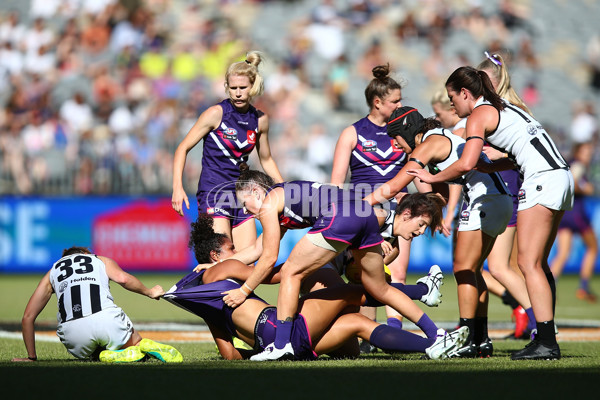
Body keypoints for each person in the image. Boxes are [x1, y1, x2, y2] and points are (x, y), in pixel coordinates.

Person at [407, 66, 574, 360]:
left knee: (528, 263)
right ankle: (545, 337)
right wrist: (490, 167)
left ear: (465, 93)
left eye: (452, 97)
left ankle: (547, 341)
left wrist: (432, 178)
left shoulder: (477, 115)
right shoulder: (504, 107)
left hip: (541, 180)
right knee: (538, 264)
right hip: (560, 175)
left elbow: (466, 164)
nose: (451, 104)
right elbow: (511, 159)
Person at [164, 214, 468, 360]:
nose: (236, 251)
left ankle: (433, 347)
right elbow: (272, 275)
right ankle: (421, 291)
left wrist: (261, 351)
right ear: (216, 256)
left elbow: (229, 356)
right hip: (279, 327)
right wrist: (306, 260)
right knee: (351, 293)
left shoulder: (206, 302)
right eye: (232, 247)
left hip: (276, 341)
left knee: (357, 323)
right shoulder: (225, 268)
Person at [225, 170, 454, 361]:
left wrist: (244, 290)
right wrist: (221, 264)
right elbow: (257, 249)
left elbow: (268, 258)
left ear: (256, 191)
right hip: (363, 215)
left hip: (342, 217)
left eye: (244, 204)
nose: (245, 211)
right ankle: (437, 334)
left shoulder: (269, 203)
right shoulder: (282, 201)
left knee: (292, 273)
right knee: (379, 289)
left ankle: (282, 344)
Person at [364, 106, 513, 358]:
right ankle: (480, 338)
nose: (395, 145)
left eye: (396, 137)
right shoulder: (442, 137)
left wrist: (359, 205)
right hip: (499, 200)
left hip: (484, 201)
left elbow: (393, 186)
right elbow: (439, 195)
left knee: (463, 269)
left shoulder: (427, 145)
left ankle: (464, 338)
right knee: (474, 271)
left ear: (408, 130)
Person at [330, 64, 413, 338]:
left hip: (397, 214)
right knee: (362, 276)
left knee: (395, 274)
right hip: (362, 215)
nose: (401, 105)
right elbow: (336, 183)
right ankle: (364, 335)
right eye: (396, 101)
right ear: (378, 103)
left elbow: (417, 172)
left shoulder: (404, 134)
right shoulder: (352, 133)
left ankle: (392, 332)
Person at [171, 50, 283, 252]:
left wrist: (283, 190)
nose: (238, 93)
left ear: (253, 87)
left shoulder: (260, 119)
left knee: (245, 262)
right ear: (227, 88)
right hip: (214, 190)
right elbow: (182, 148)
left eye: (243, 87)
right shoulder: (215, 114)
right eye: (233, 88)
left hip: (241, 194)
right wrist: (177, 187)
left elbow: (266, 159)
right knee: (220, 259)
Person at [12, 246, 182, 363]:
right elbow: (123, 279)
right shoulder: (99, 260)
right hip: (107, 320)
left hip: (74, 334)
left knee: (91, 349)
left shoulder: (54, 270)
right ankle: (138, 346)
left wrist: (31, 357)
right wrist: (150, 292)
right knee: (136, 342)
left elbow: (27, 317)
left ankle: (101, 355)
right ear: (86, 253)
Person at [476, 52, 537, 338]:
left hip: (508, 189)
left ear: (495, 80)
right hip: (500, 189)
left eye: (481, 80)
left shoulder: (506, 109)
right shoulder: (504, 106)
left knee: (500, 266)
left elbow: (524, 151)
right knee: (497, 266)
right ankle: (537, 322)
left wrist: (499, 152)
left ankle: (540, 322)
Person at [551, 141, 597, 302]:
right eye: (586, 151)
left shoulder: (569, 162)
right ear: (578, 151)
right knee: (593, 247)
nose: (589, 154)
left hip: (565, 212)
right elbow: (573, 184)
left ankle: (549, 286)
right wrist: (586, 189)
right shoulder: (578, 165)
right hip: (576, 211)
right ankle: (583, 286)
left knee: (563, 253)